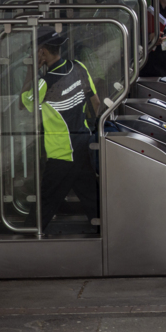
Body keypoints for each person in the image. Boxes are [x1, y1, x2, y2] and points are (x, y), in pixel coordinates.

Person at [20, 27, 101, 232]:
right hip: (83, 142)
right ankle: (103, 229)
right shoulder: (78, 67)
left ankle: (29, 236)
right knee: (91, 195)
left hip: (62, 151)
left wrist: (32, 70)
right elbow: (96, 102)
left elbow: (23, 103)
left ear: (42, 52)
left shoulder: (45, 83)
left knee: (47, 198)